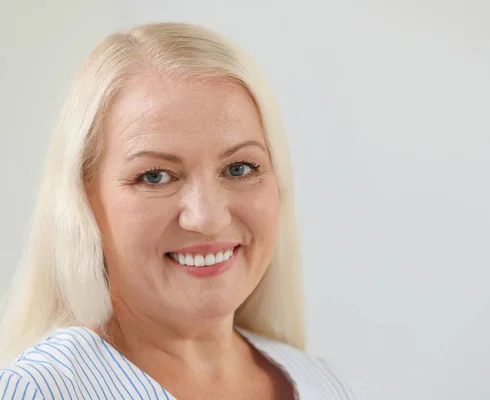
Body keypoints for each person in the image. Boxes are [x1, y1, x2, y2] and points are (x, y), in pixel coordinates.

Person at [0, 22, 361, 399]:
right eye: (155, 176)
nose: (208, 218)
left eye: (239, 168)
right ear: (84, 200)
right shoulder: (37, 391)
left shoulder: (327, 385)